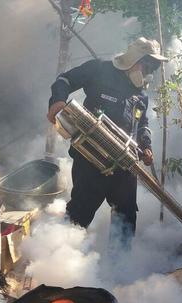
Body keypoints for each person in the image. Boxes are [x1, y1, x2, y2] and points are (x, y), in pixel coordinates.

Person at [47, 37, 168, 251]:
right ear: (134, 59)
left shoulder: (141, 94)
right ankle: (59, 260)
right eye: (147, 64)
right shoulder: (99, 70)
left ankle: (118, 268)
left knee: (126, 216)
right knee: (80, 212)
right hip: (90, 158)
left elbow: (142, 123)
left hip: (124, 162)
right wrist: (57, 100)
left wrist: (146, 145)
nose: (149, 71)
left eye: (153, 67)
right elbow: (64, 80)